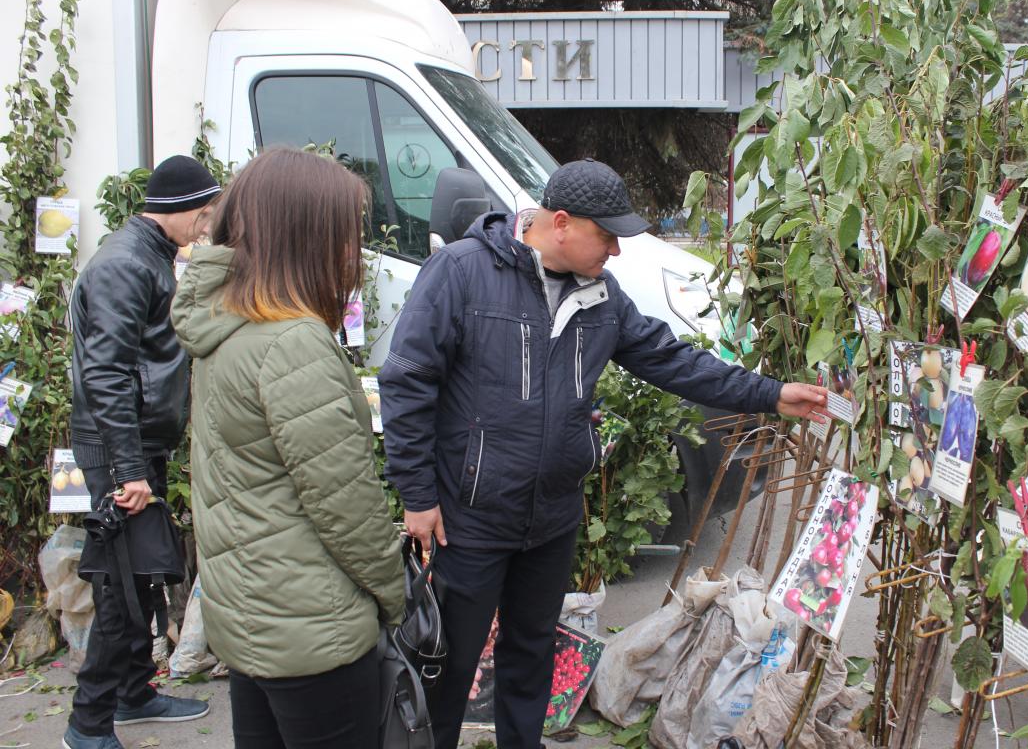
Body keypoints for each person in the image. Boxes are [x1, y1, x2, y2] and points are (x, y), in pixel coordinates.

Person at [379, 158, 829, 749]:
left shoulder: (601, 297)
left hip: (552, 516)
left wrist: (770, 394)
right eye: (608, 235)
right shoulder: (461, 273)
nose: (616, 251)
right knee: (451, 662)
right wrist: (417, 495)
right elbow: (407, 379)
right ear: (560, 222)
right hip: (471, 517)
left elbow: (673, 361)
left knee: (532, 654)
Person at [171, 147, 407, 749]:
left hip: (250, 618)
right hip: (314, 631)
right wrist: (393, 595)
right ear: (304, 236)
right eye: (344, 234)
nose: (353, 253)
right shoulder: (292, 342)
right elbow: (346, 507)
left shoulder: (228, 326)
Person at [65, 155, 220, 749]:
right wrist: (128, 469)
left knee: (143, 574)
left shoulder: (149, 257)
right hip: (117, 452)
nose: (204, 230)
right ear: (185, 211)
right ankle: (87, 725)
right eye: (204, 218)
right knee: (122, 590)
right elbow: (104, 374)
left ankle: (132, 694)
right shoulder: (126, 265)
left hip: (134, 446)